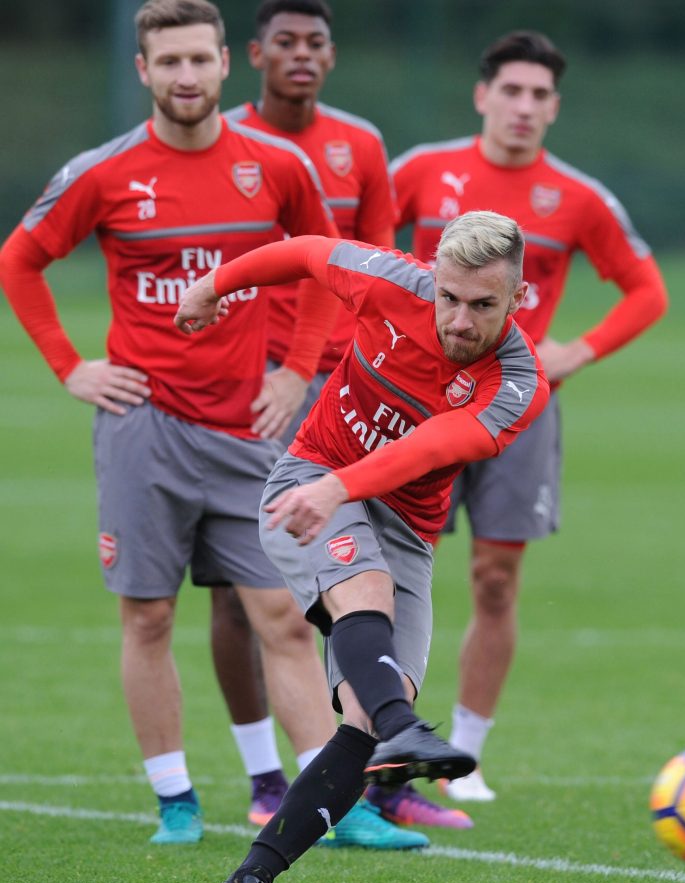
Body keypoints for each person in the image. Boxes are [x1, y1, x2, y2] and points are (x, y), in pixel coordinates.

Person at [0, 0, 344, 845]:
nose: (185, 76)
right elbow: (21, 258)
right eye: (169, 62)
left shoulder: (276, 164)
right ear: (142, 71)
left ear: (227, 64)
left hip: (244, 430)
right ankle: (176, 803)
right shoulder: (105, 172)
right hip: (142, 427)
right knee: (148, 617)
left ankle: (330, 804)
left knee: (283, 615)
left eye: (199, 59)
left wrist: (297, 371)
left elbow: (325, 263)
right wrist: (70, 365)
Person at [172, 210, 549, 883]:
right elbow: (310, 251)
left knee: (363, 719)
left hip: (397, 521)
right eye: (448, 297)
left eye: (482, 304)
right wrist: (214, 285)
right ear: (431, 281)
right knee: (365, 604)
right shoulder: (388, 280)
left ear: (517, 297)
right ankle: (405, 721)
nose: (459, 321)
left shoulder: (515, 383)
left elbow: (434, 445)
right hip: (308, 481)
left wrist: (342, 488)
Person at [204, 0, 464, 839]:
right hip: (251, 387)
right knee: (245, 597)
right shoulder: (235, 146)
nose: (301, 55)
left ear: (332, 53)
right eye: (285, 41)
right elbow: (302, 259)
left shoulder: (361, 145)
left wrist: (345, 366)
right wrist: (274, 363)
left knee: (346, 595)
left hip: (349, 388)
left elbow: (377, 264)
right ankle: (267, 777)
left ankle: (372, 788)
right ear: (255, 54)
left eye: (316, 41)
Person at [390, 31, 669, 802]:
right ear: (482, 95)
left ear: (554, 107)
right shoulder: (418, 171)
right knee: (392, 571)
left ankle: (465, 754)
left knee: (495, 579)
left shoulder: (577, 197)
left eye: (538, 95)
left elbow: (646, 291)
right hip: (415, 399)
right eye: (509, 90)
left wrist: (574, 351)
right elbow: (356, 253)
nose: (523, 106)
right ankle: (384, 737)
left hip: (517, 405)